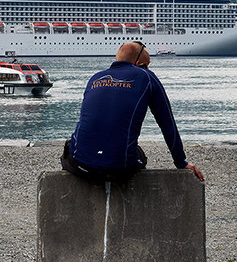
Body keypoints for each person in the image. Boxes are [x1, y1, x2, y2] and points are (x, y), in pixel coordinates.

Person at [62, 41, 204, 183]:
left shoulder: (95, 78)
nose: (148, 68)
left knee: (73, 145)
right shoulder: (147, 77)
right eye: (145, 65)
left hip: (80, 167)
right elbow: (167, 123)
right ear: (137, 64)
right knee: (138, 153)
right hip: (119, 170)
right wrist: (181, 162)